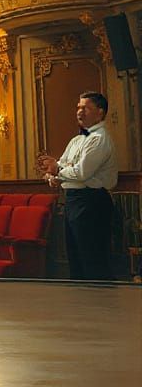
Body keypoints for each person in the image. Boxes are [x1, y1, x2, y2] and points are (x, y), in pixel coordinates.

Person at [37, 91, 118, 281]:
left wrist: (57, 170)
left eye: (85, 108)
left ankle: (100, 305)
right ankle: (83, 306)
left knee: (93, 260)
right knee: (76, 259)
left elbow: (82, 172)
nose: (79, 112)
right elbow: (62, 164)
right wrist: (53, 173)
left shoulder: (99, 139)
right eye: (78, 107)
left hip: (92, 202)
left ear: (100, 112)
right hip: (74, 201)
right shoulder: (77, 139)